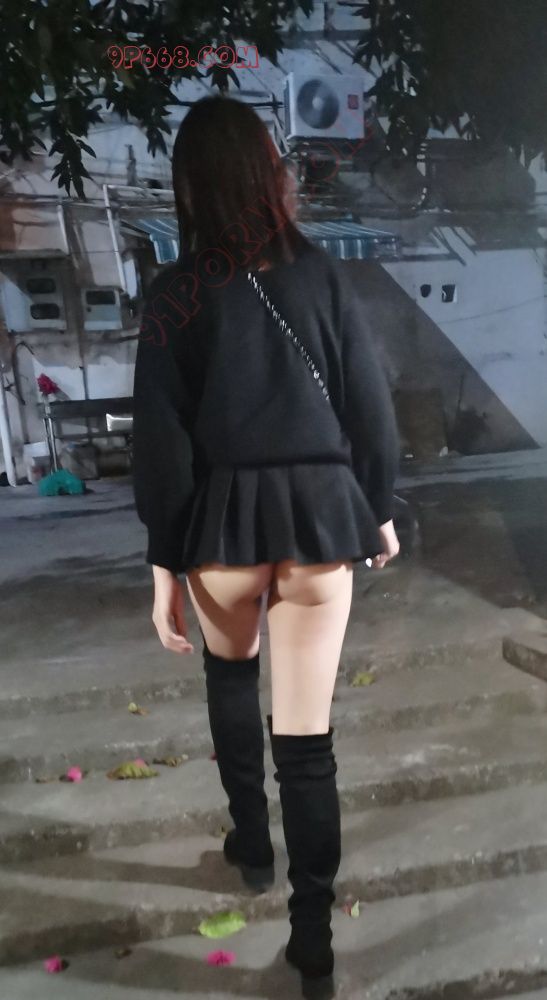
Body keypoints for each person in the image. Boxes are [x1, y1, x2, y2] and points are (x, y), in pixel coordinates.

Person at [132, 94, 400, 999]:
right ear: (268, 174)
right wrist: (376, 505)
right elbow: (371, 407)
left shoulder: (175, 293)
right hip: (320, 520)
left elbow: (162, 443)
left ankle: (251, 844)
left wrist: (163, 563)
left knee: (229, 677)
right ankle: (312, 940)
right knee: (307, 743)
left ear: (190, 186)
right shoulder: (322, 274)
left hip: (223, 527)